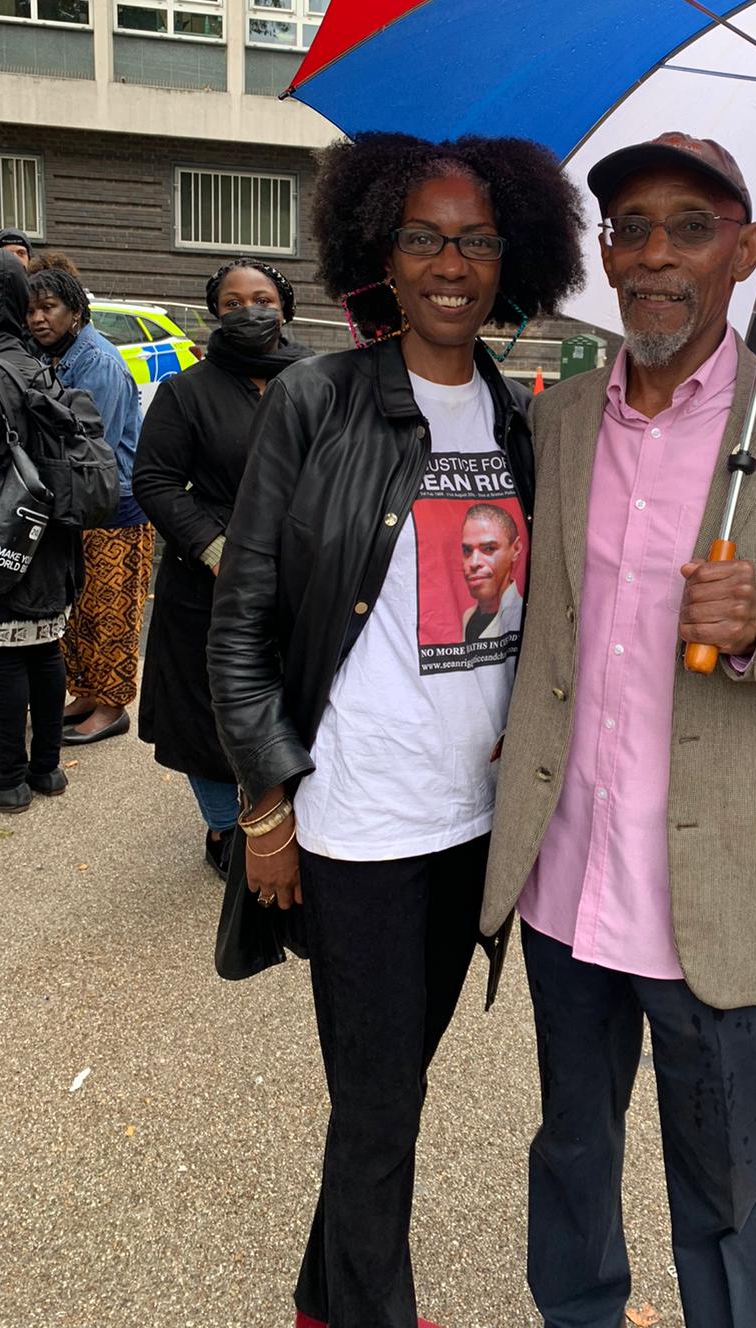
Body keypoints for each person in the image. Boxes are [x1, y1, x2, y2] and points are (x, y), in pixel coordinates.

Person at [481, 133, 756, 1328]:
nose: (655, 256)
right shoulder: (563, 418)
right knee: (573, 1152)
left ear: (746, 248)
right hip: (566, 878)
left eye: (688, 226)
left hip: (722, 883)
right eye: (630, 228)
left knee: (732, 1183)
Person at [205, 132, 584, 1328]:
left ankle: (324, 1299)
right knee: (379, 1112)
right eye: (425, 235)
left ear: (510, 255)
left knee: (390, 1092)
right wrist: (268, 802)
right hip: (356, 820)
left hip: (470, 824)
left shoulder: (521, 423)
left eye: (477, 238)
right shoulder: (320, 399)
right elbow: (242, 619)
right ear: (382, 250)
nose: (451, 261)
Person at [133, 259, 310, 878]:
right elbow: (154, 479)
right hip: (207, 584)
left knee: (296, 702)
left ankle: (292, 813)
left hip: (302, 581)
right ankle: (222, 826)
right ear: (215, 312)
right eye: (232, 303)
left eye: (261, 298)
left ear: (284, 306)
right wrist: (215, 548)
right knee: (206, 717)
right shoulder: (187, 390)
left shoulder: (321, 379)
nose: (249, 312)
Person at [26, 269, 152, 746]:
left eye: (49, 309)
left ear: (75, 311)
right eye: (32, 310)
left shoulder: (97, 360)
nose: (39, 319)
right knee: (77, 612)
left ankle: (113, 706)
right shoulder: (52, 355)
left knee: (111, 611)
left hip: (113, 506)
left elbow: (89, 445)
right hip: (74, 507)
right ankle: (86, 692)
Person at [0, 250, 83, 811]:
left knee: (3, 658)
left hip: (3, 534)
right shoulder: (34, 360)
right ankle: (47, 769)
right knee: (46, 649)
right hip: (52, 531)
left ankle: (9, 779)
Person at [459, 502, 523, 641]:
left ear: (516, 549)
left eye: (489, 548)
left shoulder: (524, 616)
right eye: (467, 550)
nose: (474, 562)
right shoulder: (468, 616)